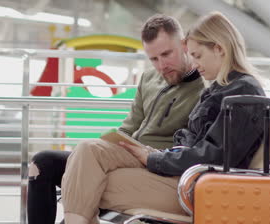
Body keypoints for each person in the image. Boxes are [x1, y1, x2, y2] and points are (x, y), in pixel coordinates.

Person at [60, 11, 270, 224]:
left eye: (197, 55)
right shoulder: (220, 89)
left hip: (197, 187)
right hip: (183, 173)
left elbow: (216, 155)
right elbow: (199, 146)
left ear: (219, 49)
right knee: (88, 150)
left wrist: (154, 159)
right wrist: (158, 155)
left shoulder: (244, 93)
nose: (195, 63)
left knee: (88, 183)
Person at [27, 14, 206, 224]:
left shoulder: (204, 89)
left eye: (167, 54)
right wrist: (108, 147)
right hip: (127, 153)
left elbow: (193, 148)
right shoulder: (149, 78)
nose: (162, 65)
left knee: (87, 172)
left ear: (184, 44)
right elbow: (129, 127)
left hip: (156, 164)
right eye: (154, 59)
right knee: (42, 163)